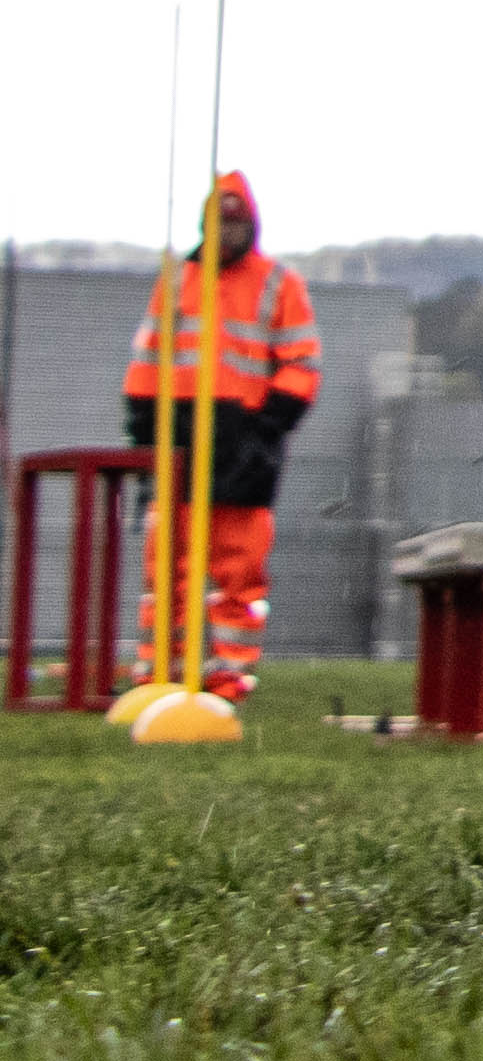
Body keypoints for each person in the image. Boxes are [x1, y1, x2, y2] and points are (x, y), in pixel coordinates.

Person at [118, 172, 318, 703]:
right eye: (219, 221)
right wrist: (143, 431)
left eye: (236, 222)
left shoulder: (279, 283)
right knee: (168, 572)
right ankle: (160, 671)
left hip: (242, 449)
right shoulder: (176, 280)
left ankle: (228, 677)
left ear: (250, 224)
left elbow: (302, 363)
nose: (227, 232)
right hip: (178, 441)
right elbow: (147, 361)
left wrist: (266, 427)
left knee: (239, 575)